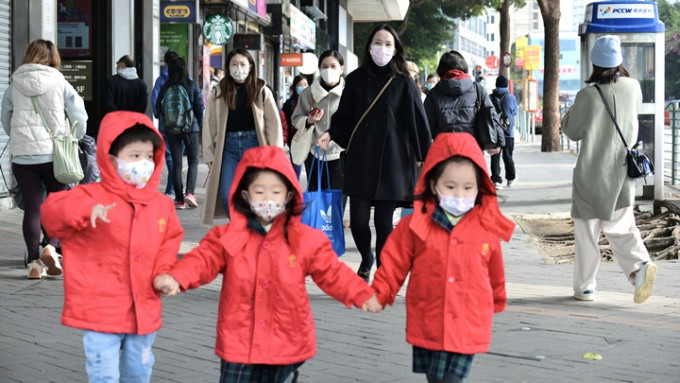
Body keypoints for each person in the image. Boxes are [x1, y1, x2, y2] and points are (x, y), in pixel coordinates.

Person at [153, 145, 379, 382]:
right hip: (240, 343)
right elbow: (203, 260)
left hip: (286, 341)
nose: (268, 199)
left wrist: (360, 293)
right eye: (259, 192)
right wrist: (177, 277)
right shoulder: (230, 237)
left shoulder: (303, 239)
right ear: (245, 195)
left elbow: (331, 272)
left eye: (276, 192)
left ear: (289, 195)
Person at [40, 111, 184, 382]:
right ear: (111, 158)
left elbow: (169, 241)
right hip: (100, 311)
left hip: (143, 309)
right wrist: (85, 208)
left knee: (138, 371)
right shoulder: (90, 194)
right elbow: (51, 214)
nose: (144, 163)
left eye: (149, 156)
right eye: (134, 156)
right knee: (103, 374)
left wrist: (166, 272)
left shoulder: (161, 204)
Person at [369, 132, 514, 383]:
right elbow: (394, 262)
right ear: (434, 185)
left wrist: (498, 298)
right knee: (435, 378)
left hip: (468, 319)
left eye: (468, 188)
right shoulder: (415, 226)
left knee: (450, 380)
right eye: (450, 186)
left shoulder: (484, 229)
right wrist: (381, 292)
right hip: (429, 317)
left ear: (480, 187)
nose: (459, 195)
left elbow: (494, 270)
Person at [317, 24, 432, 281]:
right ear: (369, 47)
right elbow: (345, 115)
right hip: (361, 160)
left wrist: (429, 155)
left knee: (383, 223)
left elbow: (418, 122)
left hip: (393, 162)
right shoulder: (356, 80)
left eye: (388, 44)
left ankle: (383, 267)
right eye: (378, 43)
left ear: (395, 49)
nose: (382, 48)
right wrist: (332, 133)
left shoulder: (404, 82)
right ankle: (366, 257)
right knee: (357, 222)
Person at [562, 35, 657, 303]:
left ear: (594, 63)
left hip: (590, 174)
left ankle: (585, 287)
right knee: (622, 226)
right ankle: (639, 268)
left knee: (587, 233)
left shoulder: (587, 96)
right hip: (622, 173)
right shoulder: (634, 88)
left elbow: (571, 131)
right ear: (619, 61)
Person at [0, 39, 88, 279]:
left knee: (33, 208)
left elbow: (5, 115)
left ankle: (33, 263)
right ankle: (51, 245)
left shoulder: (15, 82)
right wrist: (74, 138)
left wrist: (19, 137)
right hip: (54, 155)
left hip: (23, 156)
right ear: (53, 57)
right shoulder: (60, 81)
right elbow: (79, 114)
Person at [202, 48, 283, 225]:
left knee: (255, 193)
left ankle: (250, 232)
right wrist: (209, 155)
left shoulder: (261, 90)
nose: (238, 68)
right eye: (234, 64)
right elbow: (209, 125)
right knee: (227, 193)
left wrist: (275, 154)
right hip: (228, 148)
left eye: (242, 64)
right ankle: (242, 228)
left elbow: (273, 125)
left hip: (254, 145)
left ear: (251, 67)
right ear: (228, 67)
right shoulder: (219, 91)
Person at [423, 50, 502, 156]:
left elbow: (426, 127)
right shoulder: (477, 89)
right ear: (464, 68)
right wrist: (499, 142)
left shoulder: (433, 94)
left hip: (444, 153)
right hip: (472, 152)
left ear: (441, 70)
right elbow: (492, 115)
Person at [291, 50, 345, 194]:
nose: (329, 70)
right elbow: (295, 118)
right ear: (319, 68)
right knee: (316, 200)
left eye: (333, 66)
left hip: (340, 155)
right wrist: (308, 120)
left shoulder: (349, 92)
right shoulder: (308, 93)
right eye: (325, 66)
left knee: (336, 202)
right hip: (313, 154)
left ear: (342, 68)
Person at [155, 57, 204, 209]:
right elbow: (199, 106)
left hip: (172, 129)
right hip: (191, 128)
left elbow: (158, 107)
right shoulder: (192, 85)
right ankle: (190, 193)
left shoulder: (165, 86)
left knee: (176, 163)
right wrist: (198, 123)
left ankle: (179, 200)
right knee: (193, 161)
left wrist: (164, 120)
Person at [152, 49, 181, 199]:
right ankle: (178, 190)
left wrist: (159, 116)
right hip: (183, 124)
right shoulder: (184, 77)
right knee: (178, 159)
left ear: (165, 62)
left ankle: (171, 190)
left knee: (170, 157)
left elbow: (155, 100)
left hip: (166, 123)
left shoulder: (161, 79)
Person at [489, 75, 518, 189]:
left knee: (495, 156)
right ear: (506, 85)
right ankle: (510, 179)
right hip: (508, 132)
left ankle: (496, 181)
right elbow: (514, 112)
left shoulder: (490, 97)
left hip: (494, 132)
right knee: (508, 156)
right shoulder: (510, 97)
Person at [281, 74, 308, 178]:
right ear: (294, 87)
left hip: (309, 139)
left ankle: (310, 192)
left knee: (310, 168)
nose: (303, 87)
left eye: (305, 84)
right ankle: (295, 191)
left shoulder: (313, 101)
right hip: (294, 140)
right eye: (300, 85)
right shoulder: (289, 104)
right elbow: (284, 123)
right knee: (295, 168)